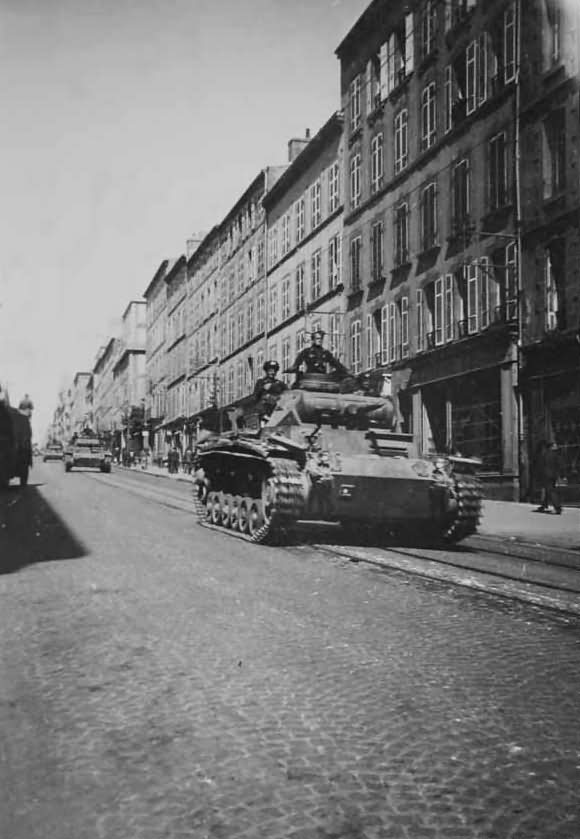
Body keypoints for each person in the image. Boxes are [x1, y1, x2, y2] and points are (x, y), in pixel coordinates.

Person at [534, 440, 563, 514]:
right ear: (551, 447)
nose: (556, 446)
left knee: (550, 490)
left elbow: (540, 466)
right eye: (555, 445)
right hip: (553, 475)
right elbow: (559, 465)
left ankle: (557, 507)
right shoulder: (556, 454)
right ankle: (544, 505)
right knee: (549, 490)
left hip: (546, 475)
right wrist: (559, 475)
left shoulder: (544, 454)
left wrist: (539, 475)